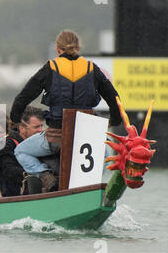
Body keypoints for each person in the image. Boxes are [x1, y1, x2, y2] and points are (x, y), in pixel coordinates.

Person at [11, 30, 122, 192]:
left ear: (58, 49)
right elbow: (114, 99)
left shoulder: (50, 68)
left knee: (20, 150)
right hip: (87, 137)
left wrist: (15, 118)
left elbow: (23, 97)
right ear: (79, 47)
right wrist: (115, 121)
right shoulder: (92, 68)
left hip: (56, 138)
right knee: (107, 156)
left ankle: (45, 176)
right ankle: (89, 185)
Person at [0, 106, 45, 196]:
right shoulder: (8, 144)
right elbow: (8, 171)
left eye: (41, 126)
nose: (41, 130)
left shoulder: (43, 144)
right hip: (13, 195)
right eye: (36, 127)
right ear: (22, 128)